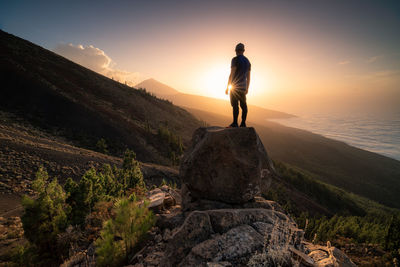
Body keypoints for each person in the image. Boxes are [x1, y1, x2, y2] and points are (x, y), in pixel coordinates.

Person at [225, 43, 251, 127]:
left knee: (235, 105)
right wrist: (247, 88)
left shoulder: (235, 60)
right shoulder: (248, 62)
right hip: (243, 87)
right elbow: (248, 77)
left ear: (236, 51)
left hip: (235, 86)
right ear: (243, 51)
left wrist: (227, 87)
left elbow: (232, 74)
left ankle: (235, 123)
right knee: (243, 105)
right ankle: (243, 123)